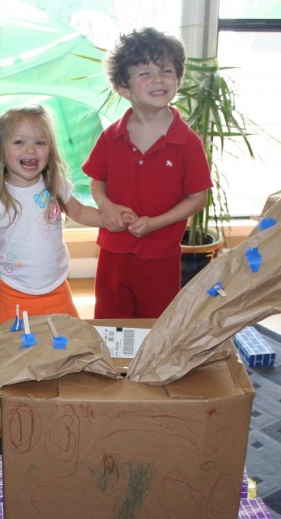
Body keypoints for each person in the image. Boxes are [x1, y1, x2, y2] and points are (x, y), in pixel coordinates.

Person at [83, 27, 213, 319]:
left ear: (178, 79)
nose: (158, 79)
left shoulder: (188, 142)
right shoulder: (110, 137)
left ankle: (150, 367)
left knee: (157, 322)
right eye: (144, 72)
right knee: (109, 319)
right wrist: (106, 206)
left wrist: (156, 223)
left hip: (161, 255)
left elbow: (197, 198)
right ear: (124, 88)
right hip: (113, 251)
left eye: (166, 70)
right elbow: (97, 180)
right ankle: (115, 366)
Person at [0, 104, 107, 333]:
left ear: (50, 149)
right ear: (1, 150)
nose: (31, 150)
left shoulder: (54, 184)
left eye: (40, 142)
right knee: (14, 351)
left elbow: (79, 212)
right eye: (19, 142)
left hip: (57, 288)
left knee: (63, 345)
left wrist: (109, 219)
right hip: (14, 292)